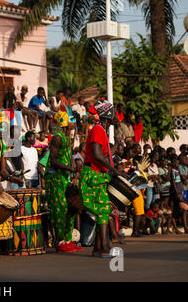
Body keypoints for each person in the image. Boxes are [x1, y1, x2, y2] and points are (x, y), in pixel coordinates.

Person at [79, 99, 128, 258]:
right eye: (114, 112)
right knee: (103, 210)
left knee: (103, 211)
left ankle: (99, 249)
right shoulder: (99, 130)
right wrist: (115, 171)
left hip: (95, 174)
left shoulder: (101, 131)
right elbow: (98, 155)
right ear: (108, 114)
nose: (117, 116)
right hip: (92, 175)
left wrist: (115, 148)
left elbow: (103, 154)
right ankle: (104, 248)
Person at [45, 111, 81, 253]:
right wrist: (69, 168)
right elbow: (53, 161)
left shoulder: (67, 138)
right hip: (54, 178)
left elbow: (69, 156)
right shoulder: (57, 138)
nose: (74, 124)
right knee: (60, 209)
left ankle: (68, 240)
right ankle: (60, 242)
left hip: (64, 177)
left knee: (71, 208)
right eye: (71, 121)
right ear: (64, 122)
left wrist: (73, 169)